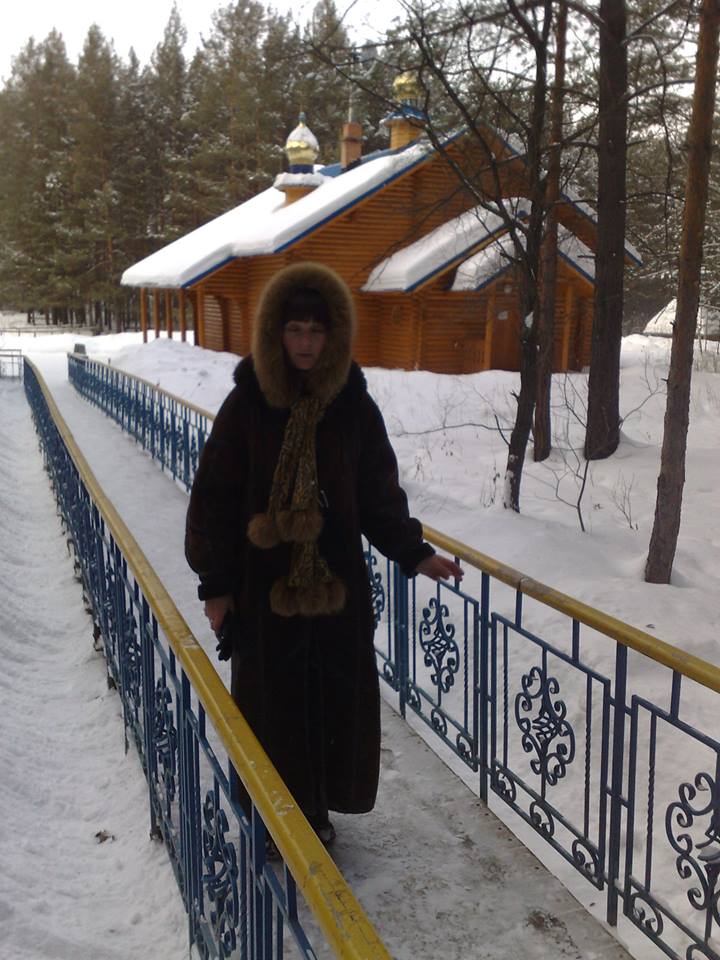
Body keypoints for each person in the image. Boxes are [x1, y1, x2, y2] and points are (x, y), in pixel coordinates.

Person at [185, 261, 463, 846]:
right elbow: (214, 497)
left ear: (333, 334)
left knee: (329, 698)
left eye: (316, 331)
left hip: (337, 586)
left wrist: (413, 552)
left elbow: (378, 493)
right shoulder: (248, 404)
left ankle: (315, 812)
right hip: (263, 587)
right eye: (295, 330)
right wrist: (216, 585)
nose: (306, 343)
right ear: (276, 333)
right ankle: (273, 817)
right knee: (272, 701)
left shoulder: (353, 407)